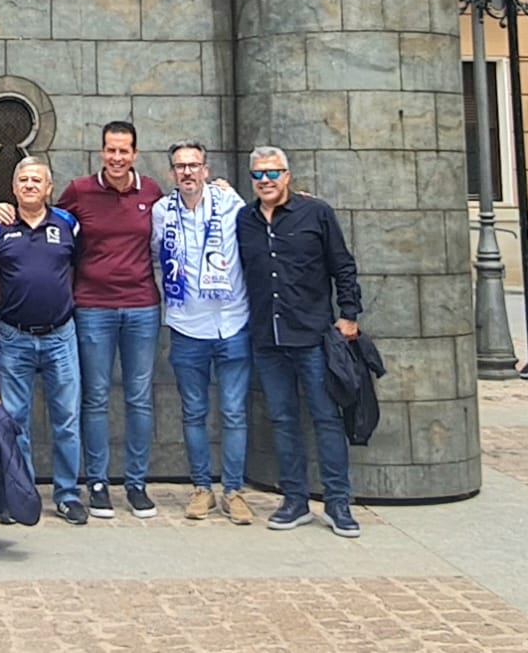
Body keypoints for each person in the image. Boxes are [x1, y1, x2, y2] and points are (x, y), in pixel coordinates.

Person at [237, 146, 364, 539]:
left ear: (288, 176)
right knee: (283, 420)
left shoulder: (316, 213)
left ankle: (338, 502)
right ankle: (294, 499)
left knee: (326, 419)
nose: (265, 181)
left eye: (273, 174)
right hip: (267, 337)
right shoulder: (245, 219)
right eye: (258, 175)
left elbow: (341, 265)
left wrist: (349, 315)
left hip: (311, 335)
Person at [57, 120, 163, 521]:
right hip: (93, 307)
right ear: (101, 151)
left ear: (135, 153)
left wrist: (219, 191)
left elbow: (185, 215)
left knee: (139, 398)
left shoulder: (151, 192)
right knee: (96, 397)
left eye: (124, 151)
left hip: (141, 306)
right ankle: (97, 482)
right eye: (110, 150)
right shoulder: (80, 191)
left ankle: (136, 483)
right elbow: (47, 222)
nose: (117, 158)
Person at [152, 139, 253, 524]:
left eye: (194, 165)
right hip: (186, 326)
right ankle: (201, 488)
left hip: (232, 323)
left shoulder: (232, 204)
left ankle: (234, 490)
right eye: (180, 166)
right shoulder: (162, 212)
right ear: (172, 173)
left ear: (207, 170)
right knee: (193, 412)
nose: (188, 172)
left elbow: (262, 226)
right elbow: (151, 254)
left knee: (233, 412)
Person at [0, 155, 85, 524]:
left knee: (66, 419)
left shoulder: (68, 225)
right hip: (14, 337)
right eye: (23, 180)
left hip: (61, 335)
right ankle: (22, 494)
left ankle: (67, 493)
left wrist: (55, 301)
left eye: (36, 180)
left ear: (49, 188)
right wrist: (14, 303)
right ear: (13, 188)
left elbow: (74, 270)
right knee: (16, 420)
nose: (29, 185)